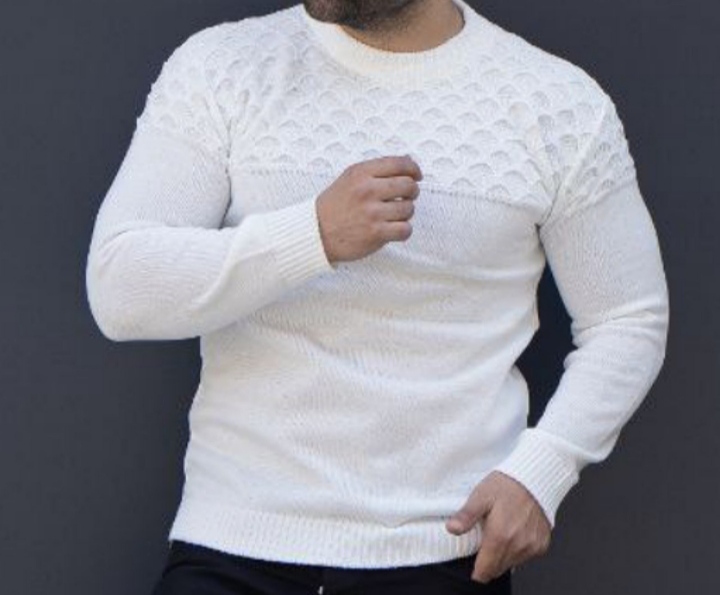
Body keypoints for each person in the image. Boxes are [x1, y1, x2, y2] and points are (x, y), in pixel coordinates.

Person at [84, 0, 670, 593]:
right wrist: (314, 234)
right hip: (231, 544)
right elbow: (121, 285)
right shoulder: (223, 67)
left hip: (440, 552)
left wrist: (544, 470)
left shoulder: (558, 104)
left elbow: (627, 318)